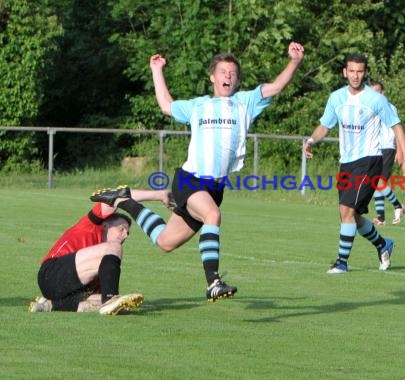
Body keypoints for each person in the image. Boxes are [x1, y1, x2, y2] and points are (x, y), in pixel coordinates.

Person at [91, 42, 305, 301]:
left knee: (166, 242)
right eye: (223, 71)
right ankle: (213, 282)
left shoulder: (245, 103)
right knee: (213, 215)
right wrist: (156, 69)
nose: (228, 76)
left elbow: (277, 86)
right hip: (189, 180)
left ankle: (125, 200)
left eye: (233, 73)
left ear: (237, 81)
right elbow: (166, 105)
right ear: (212, 77)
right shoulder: (198, 106)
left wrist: (294, 61)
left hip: (215, 188)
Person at [303, 53, 405, 273]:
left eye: (360, 71)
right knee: (351, 214)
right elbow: (325, 125)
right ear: (344, 72)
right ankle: (383, 244)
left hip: (370, 160)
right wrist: (311, 140)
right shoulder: (336, 98)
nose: (355, 75)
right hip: (347, 162)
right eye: (351, 71)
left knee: (346, 210)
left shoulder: (376, 99)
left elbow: (396, 126)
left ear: (365, 72)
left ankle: (341, 263)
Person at [29, 189, 172, 314]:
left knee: (106, 301)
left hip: (63, 290)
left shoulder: (105, 259)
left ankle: (50, 305)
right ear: (105, 224)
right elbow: (118, 195)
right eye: (121, 229)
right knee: (114, 252)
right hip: (51, 273)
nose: (125, 235)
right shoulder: (90, 225)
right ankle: (111, 299)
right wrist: (159, 195)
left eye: (127, 233)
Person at [369, 81, 405, 226]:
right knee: (376, 183)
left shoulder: (390, 108)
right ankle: (381, 218)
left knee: (379, 182)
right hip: (373, 149)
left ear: (383, 93)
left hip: (387, 148)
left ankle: (398, 206)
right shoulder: (369, 108)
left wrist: (400, 150)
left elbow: (397, 129)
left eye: (377, 91)